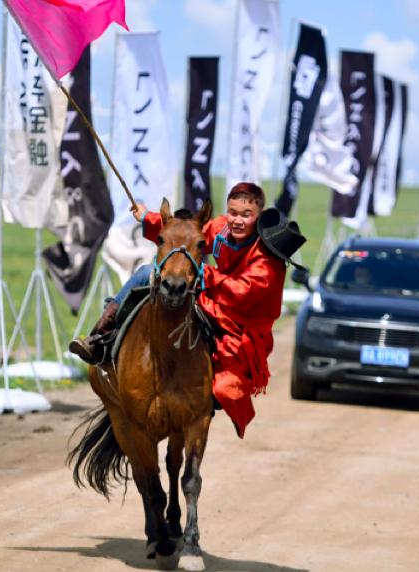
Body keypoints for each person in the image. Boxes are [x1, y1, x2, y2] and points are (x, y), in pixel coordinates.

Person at [70, 182, 306, 438]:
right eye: (233, 212)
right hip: (214, 300)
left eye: (246, 215)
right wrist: (146, 217)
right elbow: (186, 233)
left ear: (258, 216)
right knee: (147, 272)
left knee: (225, 388)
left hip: (242, 330)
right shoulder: (222, 228)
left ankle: (201, 407)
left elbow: (242, 291)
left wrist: (203, 274)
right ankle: (101, 335)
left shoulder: (267, 261)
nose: (237, 220)